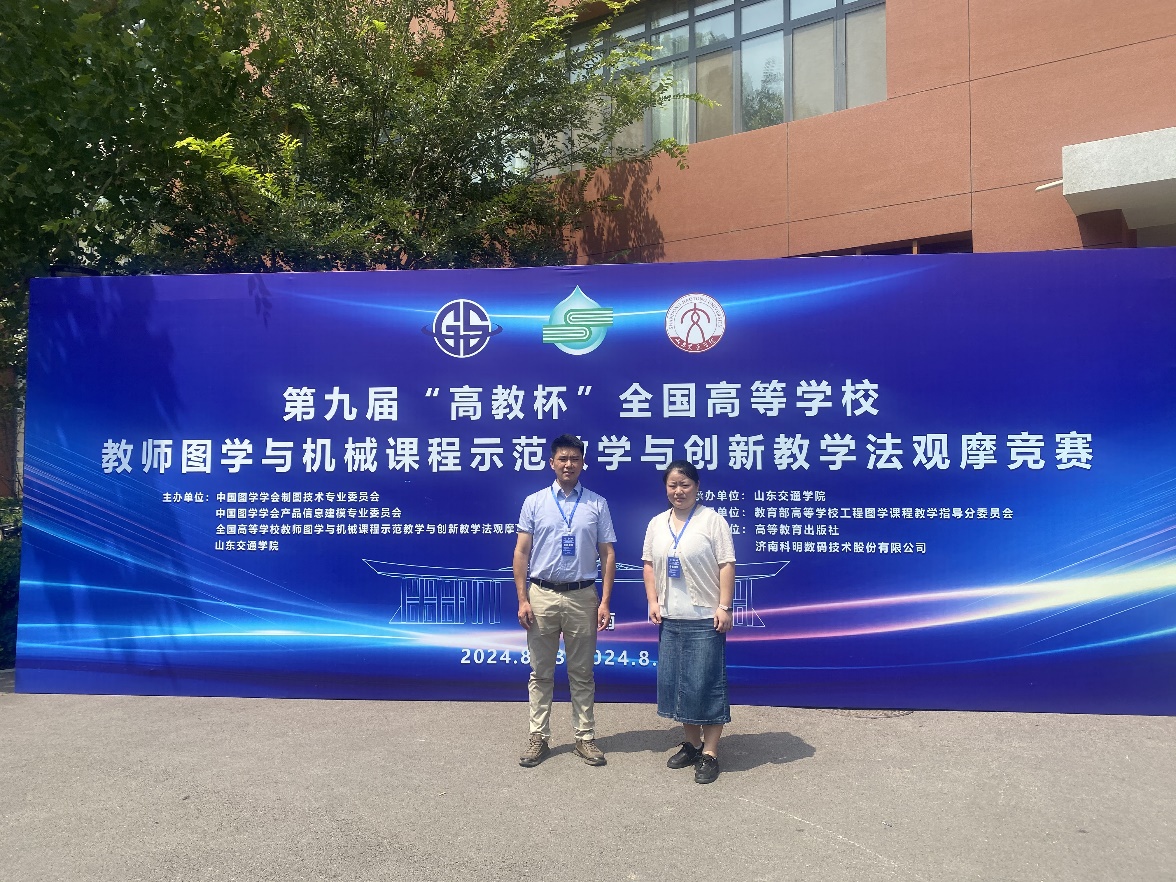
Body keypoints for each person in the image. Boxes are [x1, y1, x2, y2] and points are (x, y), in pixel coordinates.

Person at [514, 434, 616, 767]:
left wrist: (604, 602)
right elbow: (521, 552)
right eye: (563, 458)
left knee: (582, 673)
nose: (568, 464)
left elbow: (608, 553)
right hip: (541, 594)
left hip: (583, 596)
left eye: (575, 459)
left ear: (583, 463)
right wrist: (523, 599)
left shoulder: (597, 504)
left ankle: (584, 738)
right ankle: (538, 737)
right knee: (540, 672)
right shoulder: (534, 502)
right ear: (552, 462)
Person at [642, 460, 735, 784]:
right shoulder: (657, 523)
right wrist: (653, 601)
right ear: (665, 489)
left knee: (705, 685)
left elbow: (726, 565)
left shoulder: (712, 521)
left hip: (705, 618)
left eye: (685, 485)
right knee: (679, 686)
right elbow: (649, 565)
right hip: (670, 617)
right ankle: (693, 744)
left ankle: (710, 752)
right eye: (672, 485)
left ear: (697, 487)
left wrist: (724, 606)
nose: (678, 491)